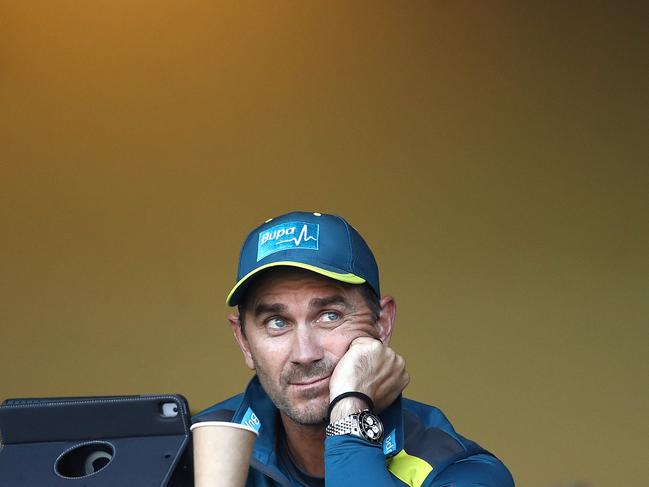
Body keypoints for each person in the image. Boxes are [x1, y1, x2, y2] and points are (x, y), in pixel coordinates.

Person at [193, 211, 514, 486]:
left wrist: (349, 415)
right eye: (277, 322)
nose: (305, 353)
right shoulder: (187, 452)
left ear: (382, 323)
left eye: (329, 316)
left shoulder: (459, 468)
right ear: (244, 342)